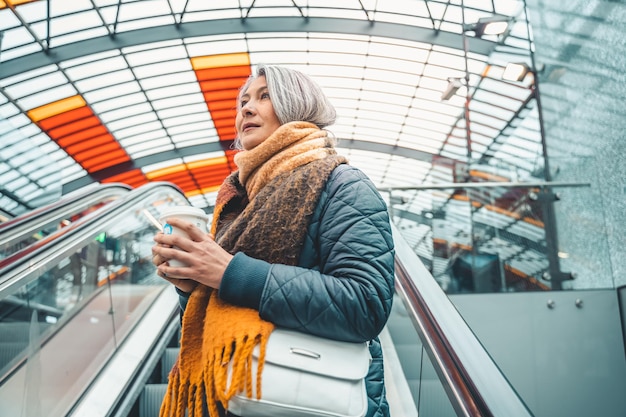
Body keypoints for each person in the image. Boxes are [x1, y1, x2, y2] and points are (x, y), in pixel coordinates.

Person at [152, 64, 395, 417]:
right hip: (232, 396)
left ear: (297, 105)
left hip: (310, 398)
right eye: (243, 101)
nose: (246, 109)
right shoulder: (236, 200)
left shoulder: (342, 184)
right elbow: (214, 321)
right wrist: (190, 286)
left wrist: (229, 273)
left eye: (265, 96)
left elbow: (364, 304)